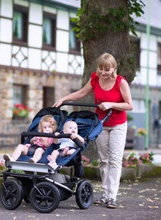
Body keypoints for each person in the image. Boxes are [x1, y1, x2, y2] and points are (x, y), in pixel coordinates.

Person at [53, 53, 133, 209]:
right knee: (104, 160)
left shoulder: (120, 82)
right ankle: (104, 194)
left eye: (107, 70)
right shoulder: (95, 79)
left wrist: (111, 104)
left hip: (118, 125)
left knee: (115, 160)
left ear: (113, 68)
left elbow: (129, 105)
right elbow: (82, 93)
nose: (103, 73)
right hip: (101, 125)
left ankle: (112, 196)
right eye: (101, 69)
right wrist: (64, 99)